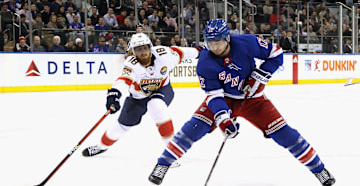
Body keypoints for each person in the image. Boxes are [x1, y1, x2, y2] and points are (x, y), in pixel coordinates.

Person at [148, 19, 336, 186]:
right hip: (225, 99)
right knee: (192, 129)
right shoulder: (205, 62)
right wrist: (224, 120)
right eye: (210, 42)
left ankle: (319, 169)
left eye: (218, 42)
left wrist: (261, 75)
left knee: (286, 135)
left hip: (253, 100)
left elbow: (276, 53)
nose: (214, 47)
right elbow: (214, 96)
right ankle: (162, 164)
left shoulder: (247, 42)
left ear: (227, 38)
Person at [82, 33, 199, 165]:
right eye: (138, 49)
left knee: (156, 106)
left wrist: (203, 51)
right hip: (137, 98)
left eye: (145, 48)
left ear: (150, 47)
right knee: (121, 127)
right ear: (133, 51)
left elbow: (186, 52)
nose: (143, 52)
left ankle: (171, 152)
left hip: (163, 90)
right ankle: (101, 146)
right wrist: (114, 94)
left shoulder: (165, 55)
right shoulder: (131, 64)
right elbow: (123, 80)